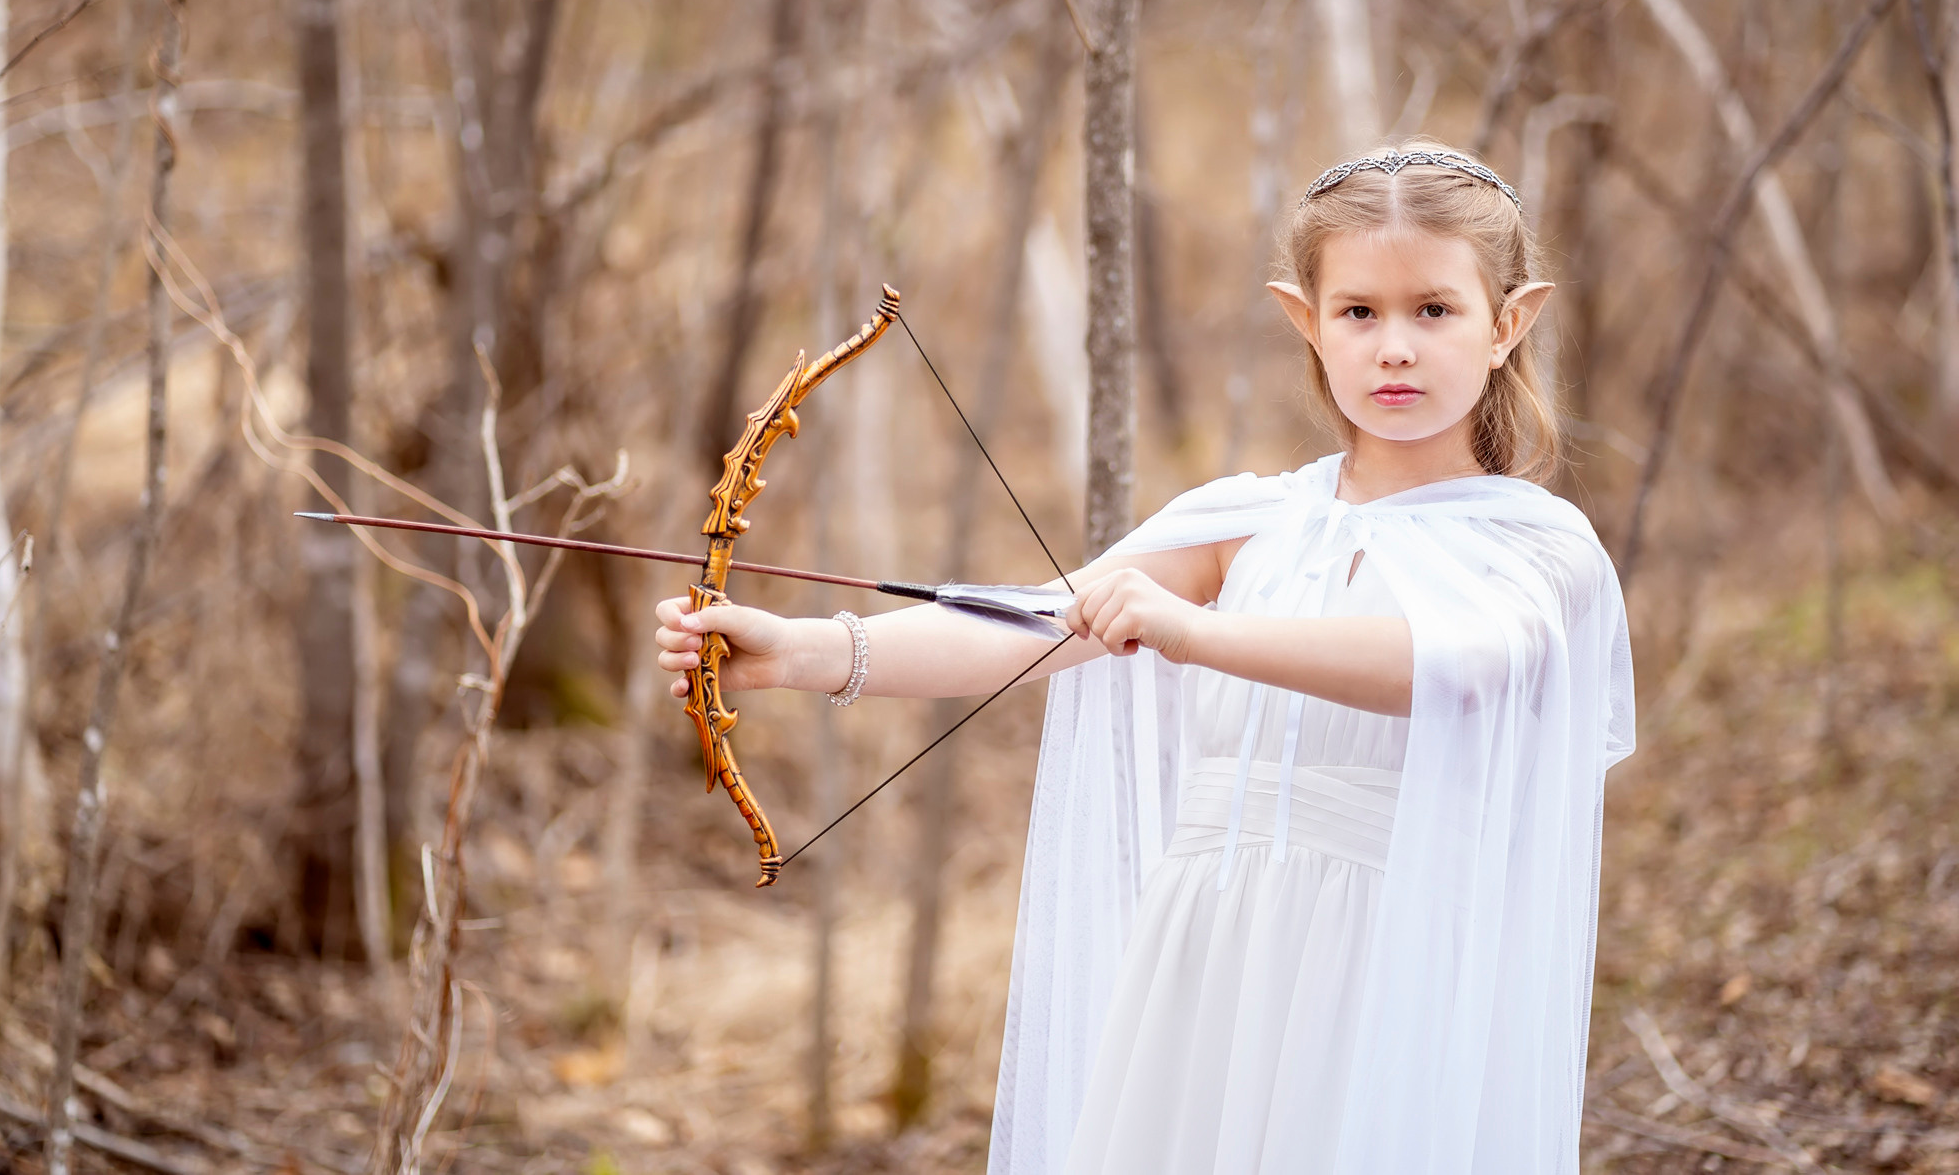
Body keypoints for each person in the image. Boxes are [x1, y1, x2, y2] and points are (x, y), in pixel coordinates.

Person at [653, 140, 1635, 1175]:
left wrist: (1193, 632)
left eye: (1432, 309)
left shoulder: (1532, 548)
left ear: (1507, 322)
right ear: (1304, 319)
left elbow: (1452, 662)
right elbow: (1041, 623)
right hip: (1206, 967)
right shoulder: (1250, 519)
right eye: (1357, 312)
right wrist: (803, 649)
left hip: (1385, 972)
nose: (1392, 346)